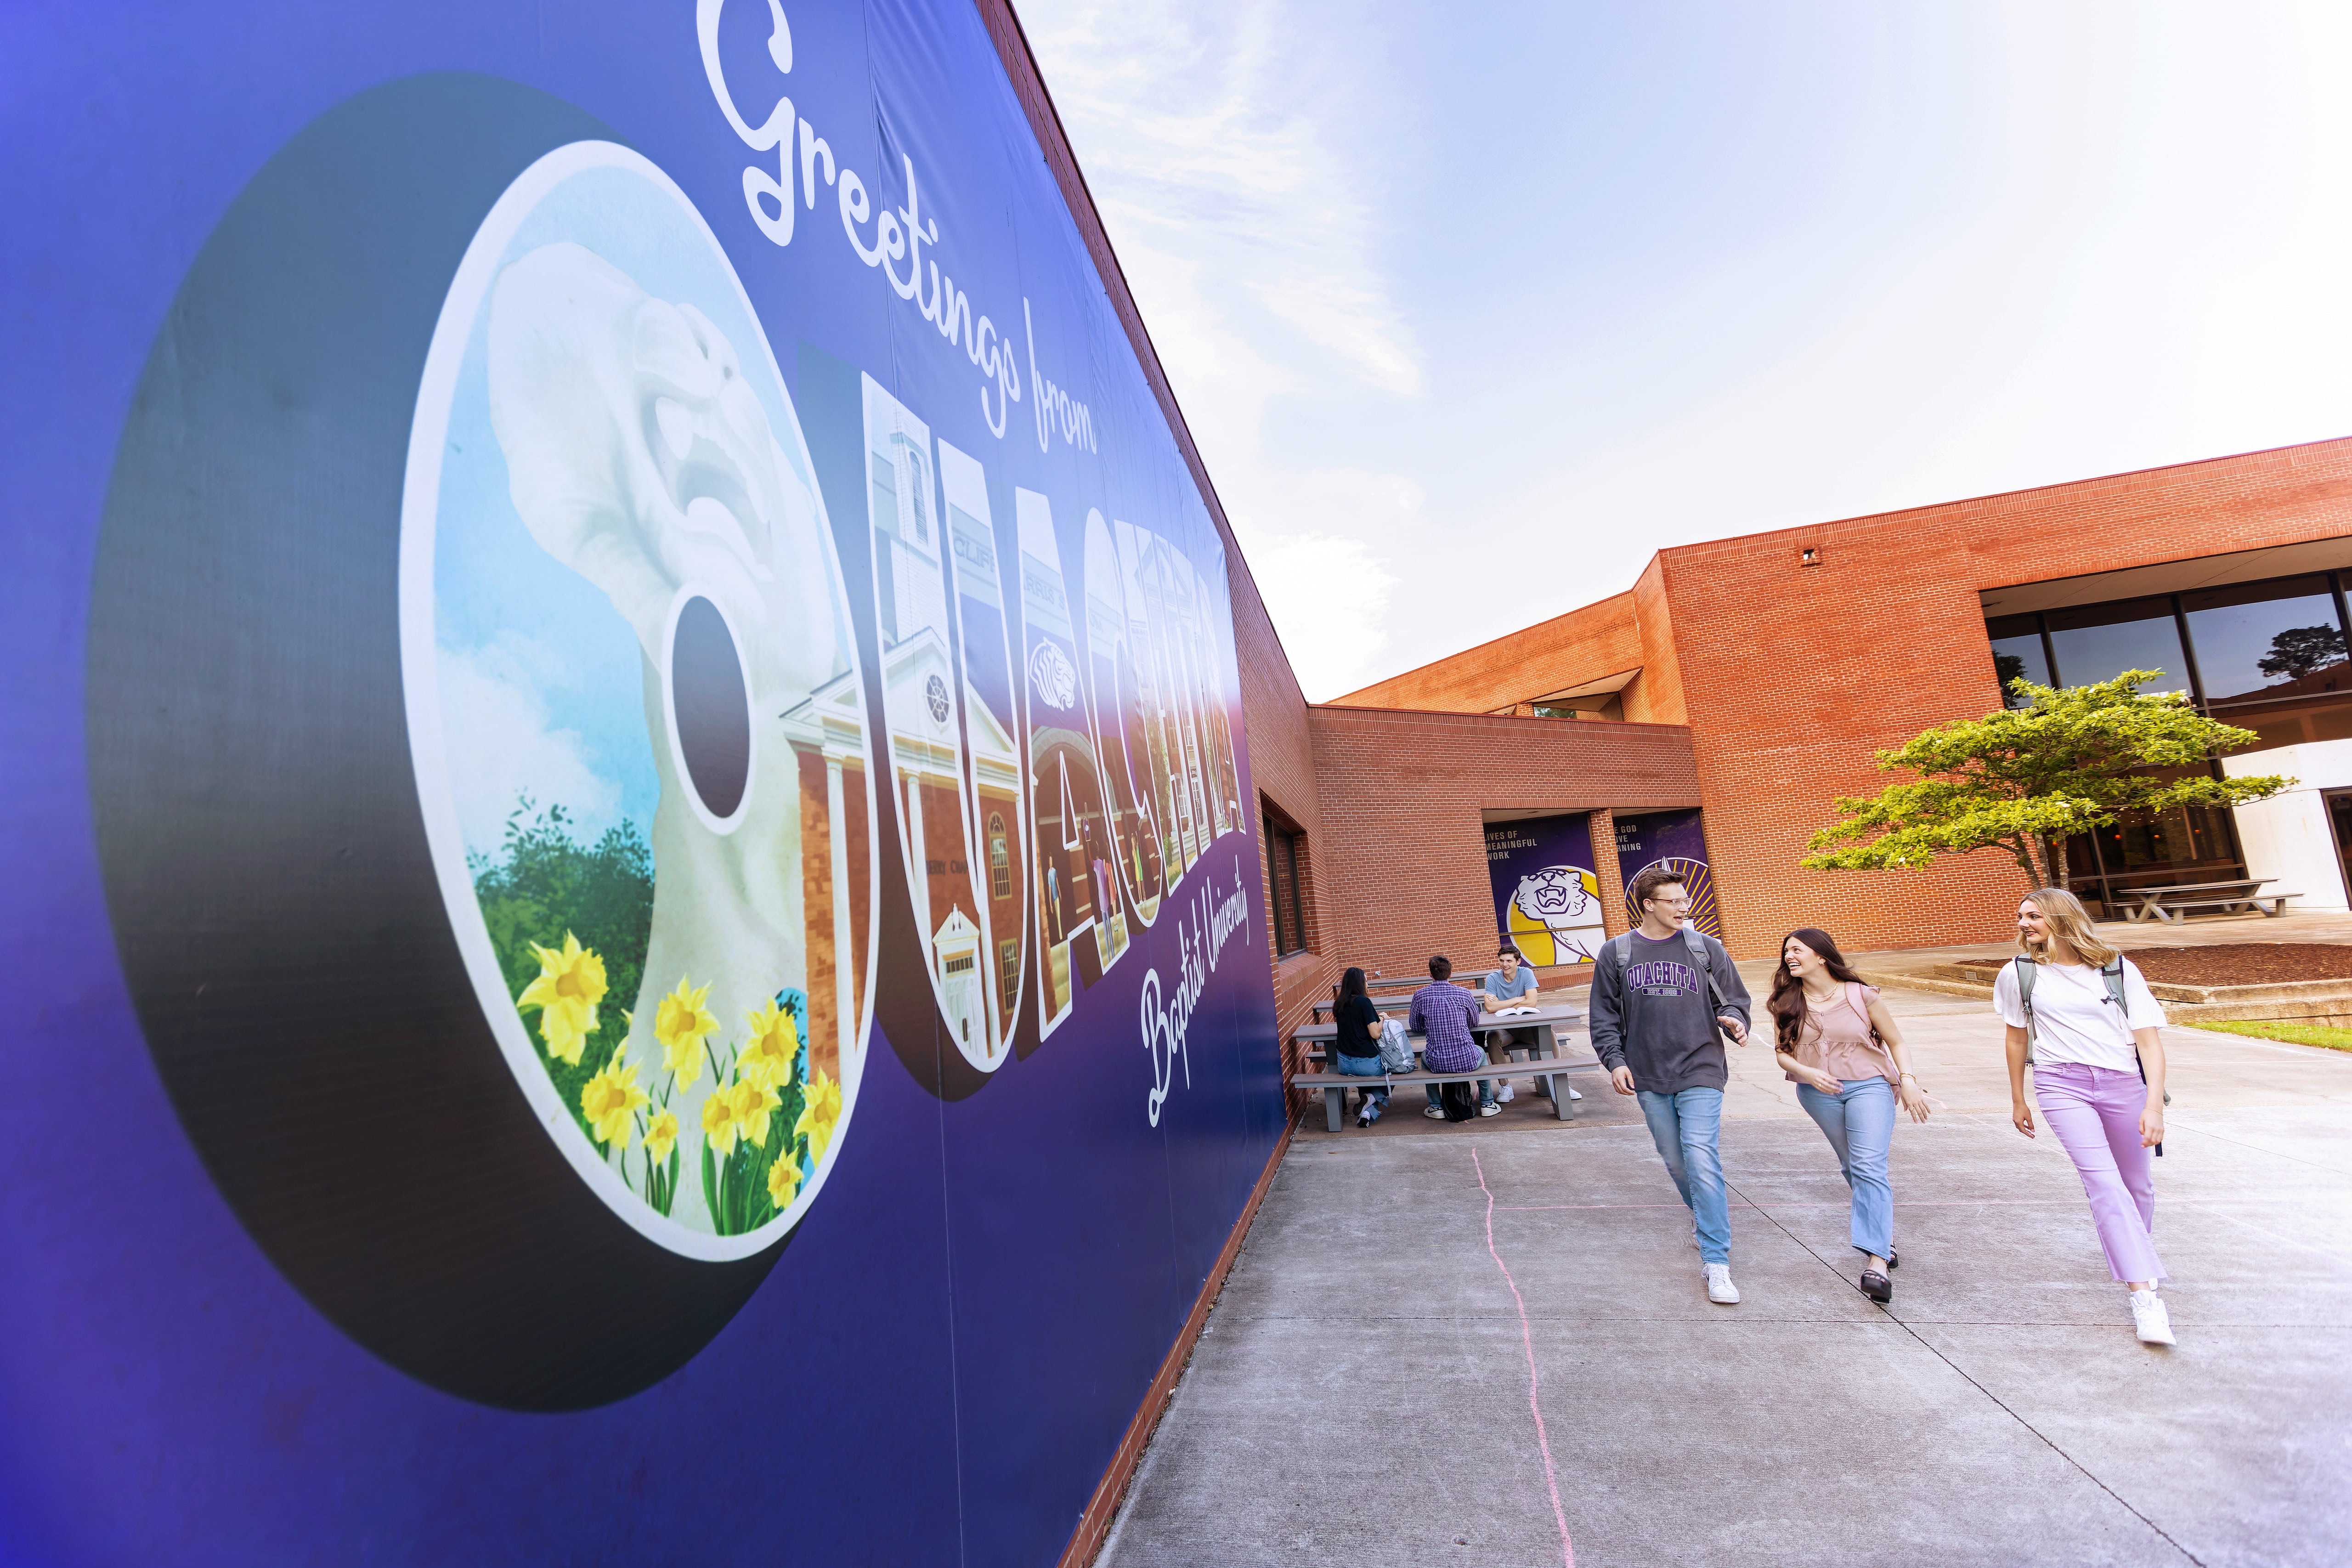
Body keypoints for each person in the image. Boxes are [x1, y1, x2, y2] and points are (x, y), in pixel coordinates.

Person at [1995, 889, 2177, 1347]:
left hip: (2121, 1084)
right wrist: (2018, 1097)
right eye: (2020, 915)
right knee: (2104, 1183)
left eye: (2033, 915)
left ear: (2060, 918)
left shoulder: (2116, 969)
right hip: (2061, 1085)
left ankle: (2135, 1262)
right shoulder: (2018, 974)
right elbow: (2016, 1039)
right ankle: (2144, 1297)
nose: (2023, 922)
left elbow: (2149, 1044)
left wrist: (2152, 1104)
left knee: (2137, 1186)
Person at [1590, 867, 1753, 1304]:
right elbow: (1603, 1015)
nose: (1685, 907)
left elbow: (1735, 999)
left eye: (1686, 900)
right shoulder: (1617, 952)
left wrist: (1736, 1021)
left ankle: (1717, 1261)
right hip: (1647, 1072)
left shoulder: (1705, 948)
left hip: (1701, 1066)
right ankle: (1705, 1217)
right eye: (1675, 901)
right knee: (1676, 1161)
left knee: (1701, 1157)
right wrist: (1615, 1060)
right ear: (1649, 905)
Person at [1768, 928, 1929, 1303]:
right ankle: (1883, 1236)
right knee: (1852, 1165)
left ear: (1821, 956)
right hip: (1817, 1093)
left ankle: (1877, 1262)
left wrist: (1908, 1080)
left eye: (1797, 950)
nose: (1790, 957)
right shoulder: (1787, 1001)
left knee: (1870, 1164)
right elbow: (1782, 1053)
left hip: (1870, 1085)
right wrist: (1807, 1073)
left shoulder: (1861, 994)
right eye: (1786, 952)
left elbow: (1896, 1041)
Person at [1412, 955, 1498, 1119]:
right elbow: (1474, 1022)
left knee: (1423, 1057)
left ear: (1430, 975)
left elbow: (1416, 1026)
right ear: (1451, 974)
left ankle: (1436, 1107)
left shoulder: (1420, 996)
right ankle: (1487, 1103)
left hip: (1437, 1061)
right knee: (1481, 1053)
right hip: (1467, 1059)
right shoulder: (1464, 993)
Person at [1478, 942, 1541, 1104]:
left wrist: (1504, 1003)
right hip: (1506, 1031)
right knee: (1492, 1037)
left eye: (1509, 961)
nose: (1504, 965)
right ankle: (1505, 1086)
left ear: (1518, 962)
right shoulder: (1493, 978)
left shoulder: (1527, 973)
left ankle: (1560, 1082)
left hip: (1526, 1028)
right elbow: (1490, 1007)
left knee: (1549, 1035)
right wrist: (1518, 999)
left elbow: (1532, 1002)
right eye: (1501, 961)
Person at [1329, 967, 1390, 1127]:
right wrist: (1383, 1018)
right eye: (1366, 980)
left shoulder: (1338, 1004)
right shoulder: (1364, 1003)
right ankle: (1372, 1099)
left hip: (1344, 1064)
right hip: (1366, 1065)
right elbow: (1375, 1033)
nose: (1368, 984)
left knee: (1366, 1083)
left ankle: (1367, 1114)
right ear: (1360, 983)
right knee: (1394, 1071)